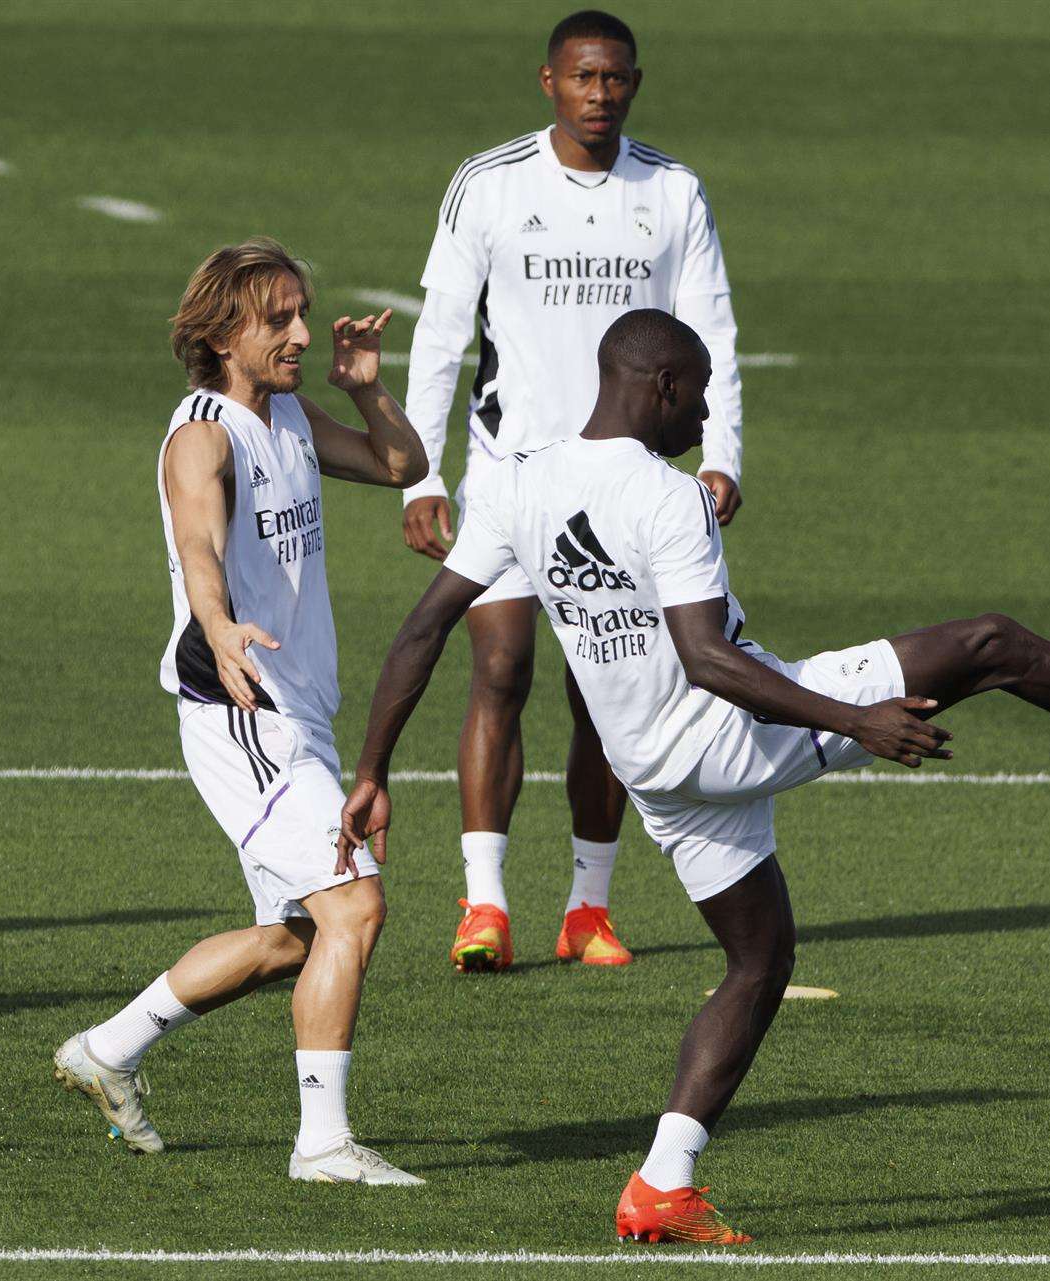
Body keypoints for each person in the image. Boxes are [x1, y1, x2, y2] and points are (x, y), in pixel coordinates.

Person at [338, 309, 1050, 1241]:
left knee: (759, 960)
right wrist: (855, 720)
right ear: (663, 385)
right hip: (728, 734)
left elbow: (423, 629)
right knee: (990, 645)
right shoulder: (665, 498)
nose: (707, 414)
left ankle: (662, 1185)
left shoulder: (517, 482)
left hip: (655, 773)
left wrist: (373, 767)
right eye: (701, 394)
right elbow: (708, 660)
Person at [52, 238, 427, 1184]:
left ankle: (108, 1049)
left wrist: (367, 389)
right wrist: (217, 624)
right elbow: (198, 542)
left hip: (298, 710)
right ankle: (323, 1144)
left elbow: (399, 464)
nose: (301, 333)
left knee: (294, 939)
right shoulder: (203, 436)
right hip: (243, 712)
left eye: (303, 313)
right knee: (354, 904)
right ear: (222, 334)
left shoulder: (288, 413)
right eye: (278, 319)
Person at [400, 9, 748, 972]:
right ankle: (484, 904)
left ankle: (587, 907)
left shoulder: (672, 191)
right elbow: (440, 336)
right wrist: (420, 472)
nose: (600, 94)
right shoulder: (490, 183)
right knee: (500, 668)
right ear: (548, 81)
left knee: (608, 692)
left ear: (636, 82)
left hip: (624, 484)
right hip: (511, 473)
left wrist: (722, 453)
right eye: (583, 77)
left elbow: (712, 335)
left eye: (616, 78)